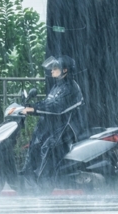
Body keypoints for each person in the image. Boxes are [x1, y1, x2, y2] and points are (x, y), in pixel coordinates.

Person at [21, 55, 84, 186]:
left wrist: (33, 109)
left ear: (65, 70)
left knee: (48, 147)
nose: (52, 70)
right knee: (35, 143)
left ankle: (44, 182)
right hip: (56, 125)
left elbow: (56, 107)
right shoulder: (57, 86)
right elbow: (47, 103)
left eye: (56, 68)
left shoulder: (70, 87)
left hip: (68, 127)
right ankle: (27, 176)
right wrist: (31, 107)